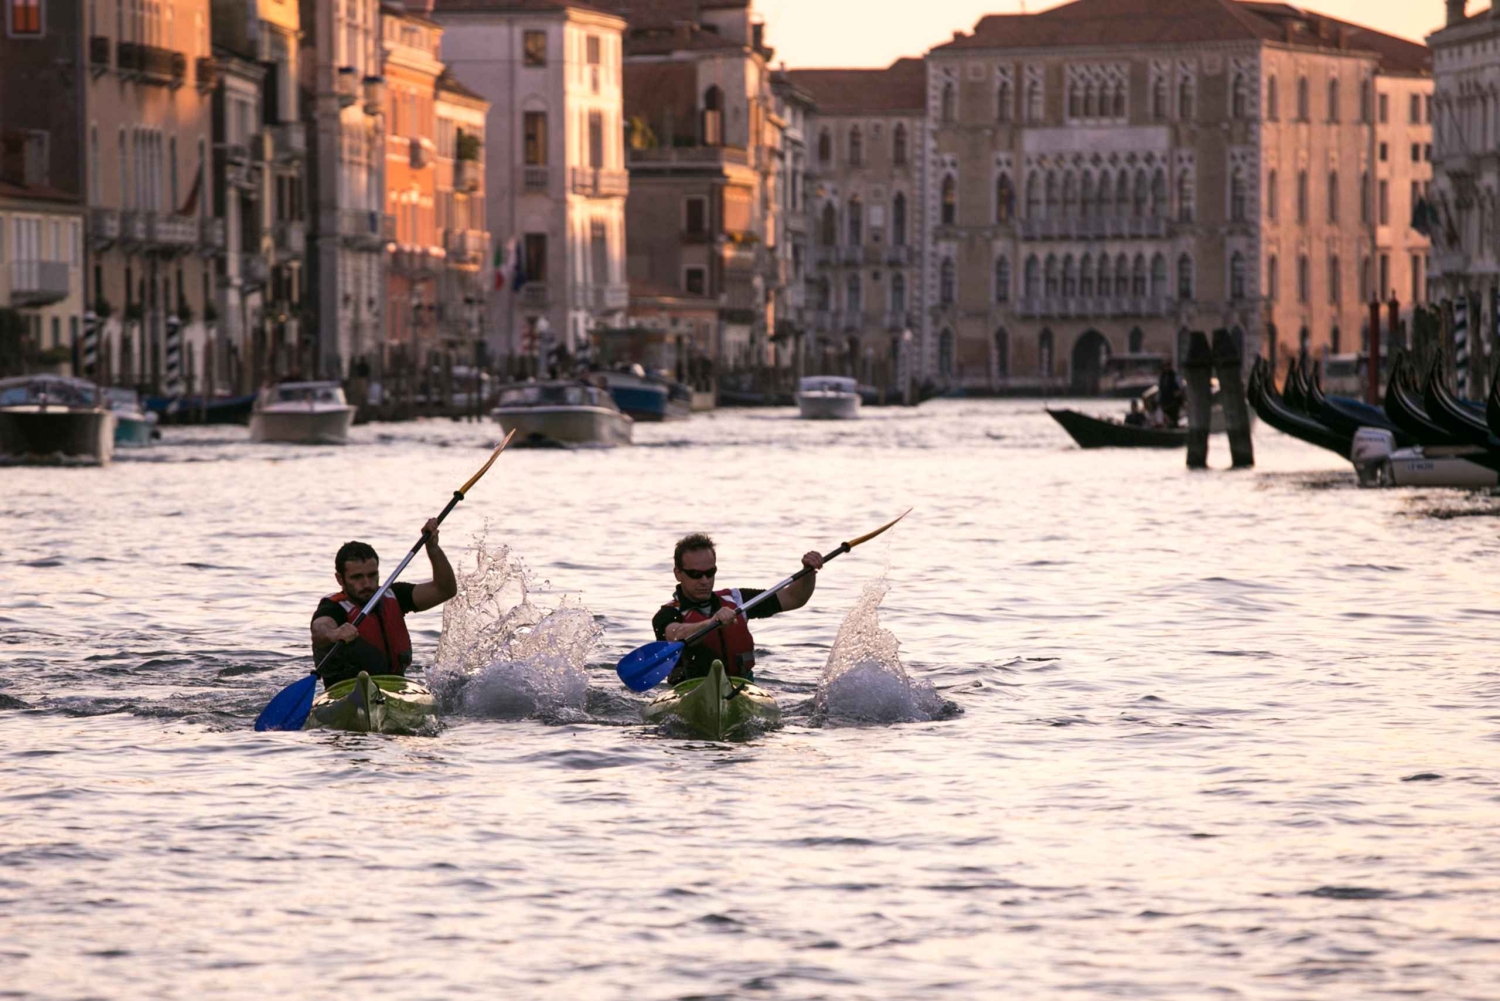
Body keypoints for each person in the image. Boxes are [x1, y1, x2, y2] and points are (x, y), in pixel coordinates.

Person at [652, 533, 824, 686]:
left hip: (741, 686)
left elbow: (794, 598)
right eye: (695, 575)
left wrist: (808, 573)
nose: (704, 581)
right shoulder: (666, 614)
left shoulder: (737, 599)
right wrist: (711, 623)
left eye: (710, 573)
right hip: (688, 690)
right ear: (678, 574)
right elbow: (676, 635)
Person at [310, 519, 457, 688]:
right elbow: (320, 629)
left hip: (396, 687)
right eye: (357, 577)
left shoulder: (395, 595)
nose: (367, 583)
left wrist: (433, 549)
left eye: (372, 575)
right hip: (347, 690)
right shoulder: (333, 607)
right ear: (340, 579)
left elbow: (445, 590)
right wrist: (334, 634)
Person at [1158, 360, 1184, 428]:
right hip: (1164, 403)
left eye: (1167, 366)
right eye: (1165, 366)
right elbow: (1161, 389)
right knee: (1166, 420)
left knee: (1173, 420)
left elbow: (1181, 388)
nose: (1166, 368)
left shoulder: (1175, 376)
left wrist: (1178, 396)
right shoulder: (1162, 377)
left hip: (1173, 403)